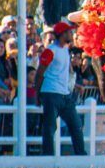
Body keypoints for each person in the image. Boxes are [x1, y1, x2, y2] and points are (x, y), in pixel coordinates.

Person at [32, 23, 88, 158]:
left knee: (76, 125)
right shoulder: (50, 51)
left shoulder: (64, 50)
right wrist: (38, 95)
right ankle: (48, 158)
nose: (71, 34)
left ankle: (81, 156)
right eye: (69, 32)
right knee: (50, 128)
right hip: (51, 93)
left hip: (63, 94)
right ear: (63, 34)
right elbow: (40, 73)